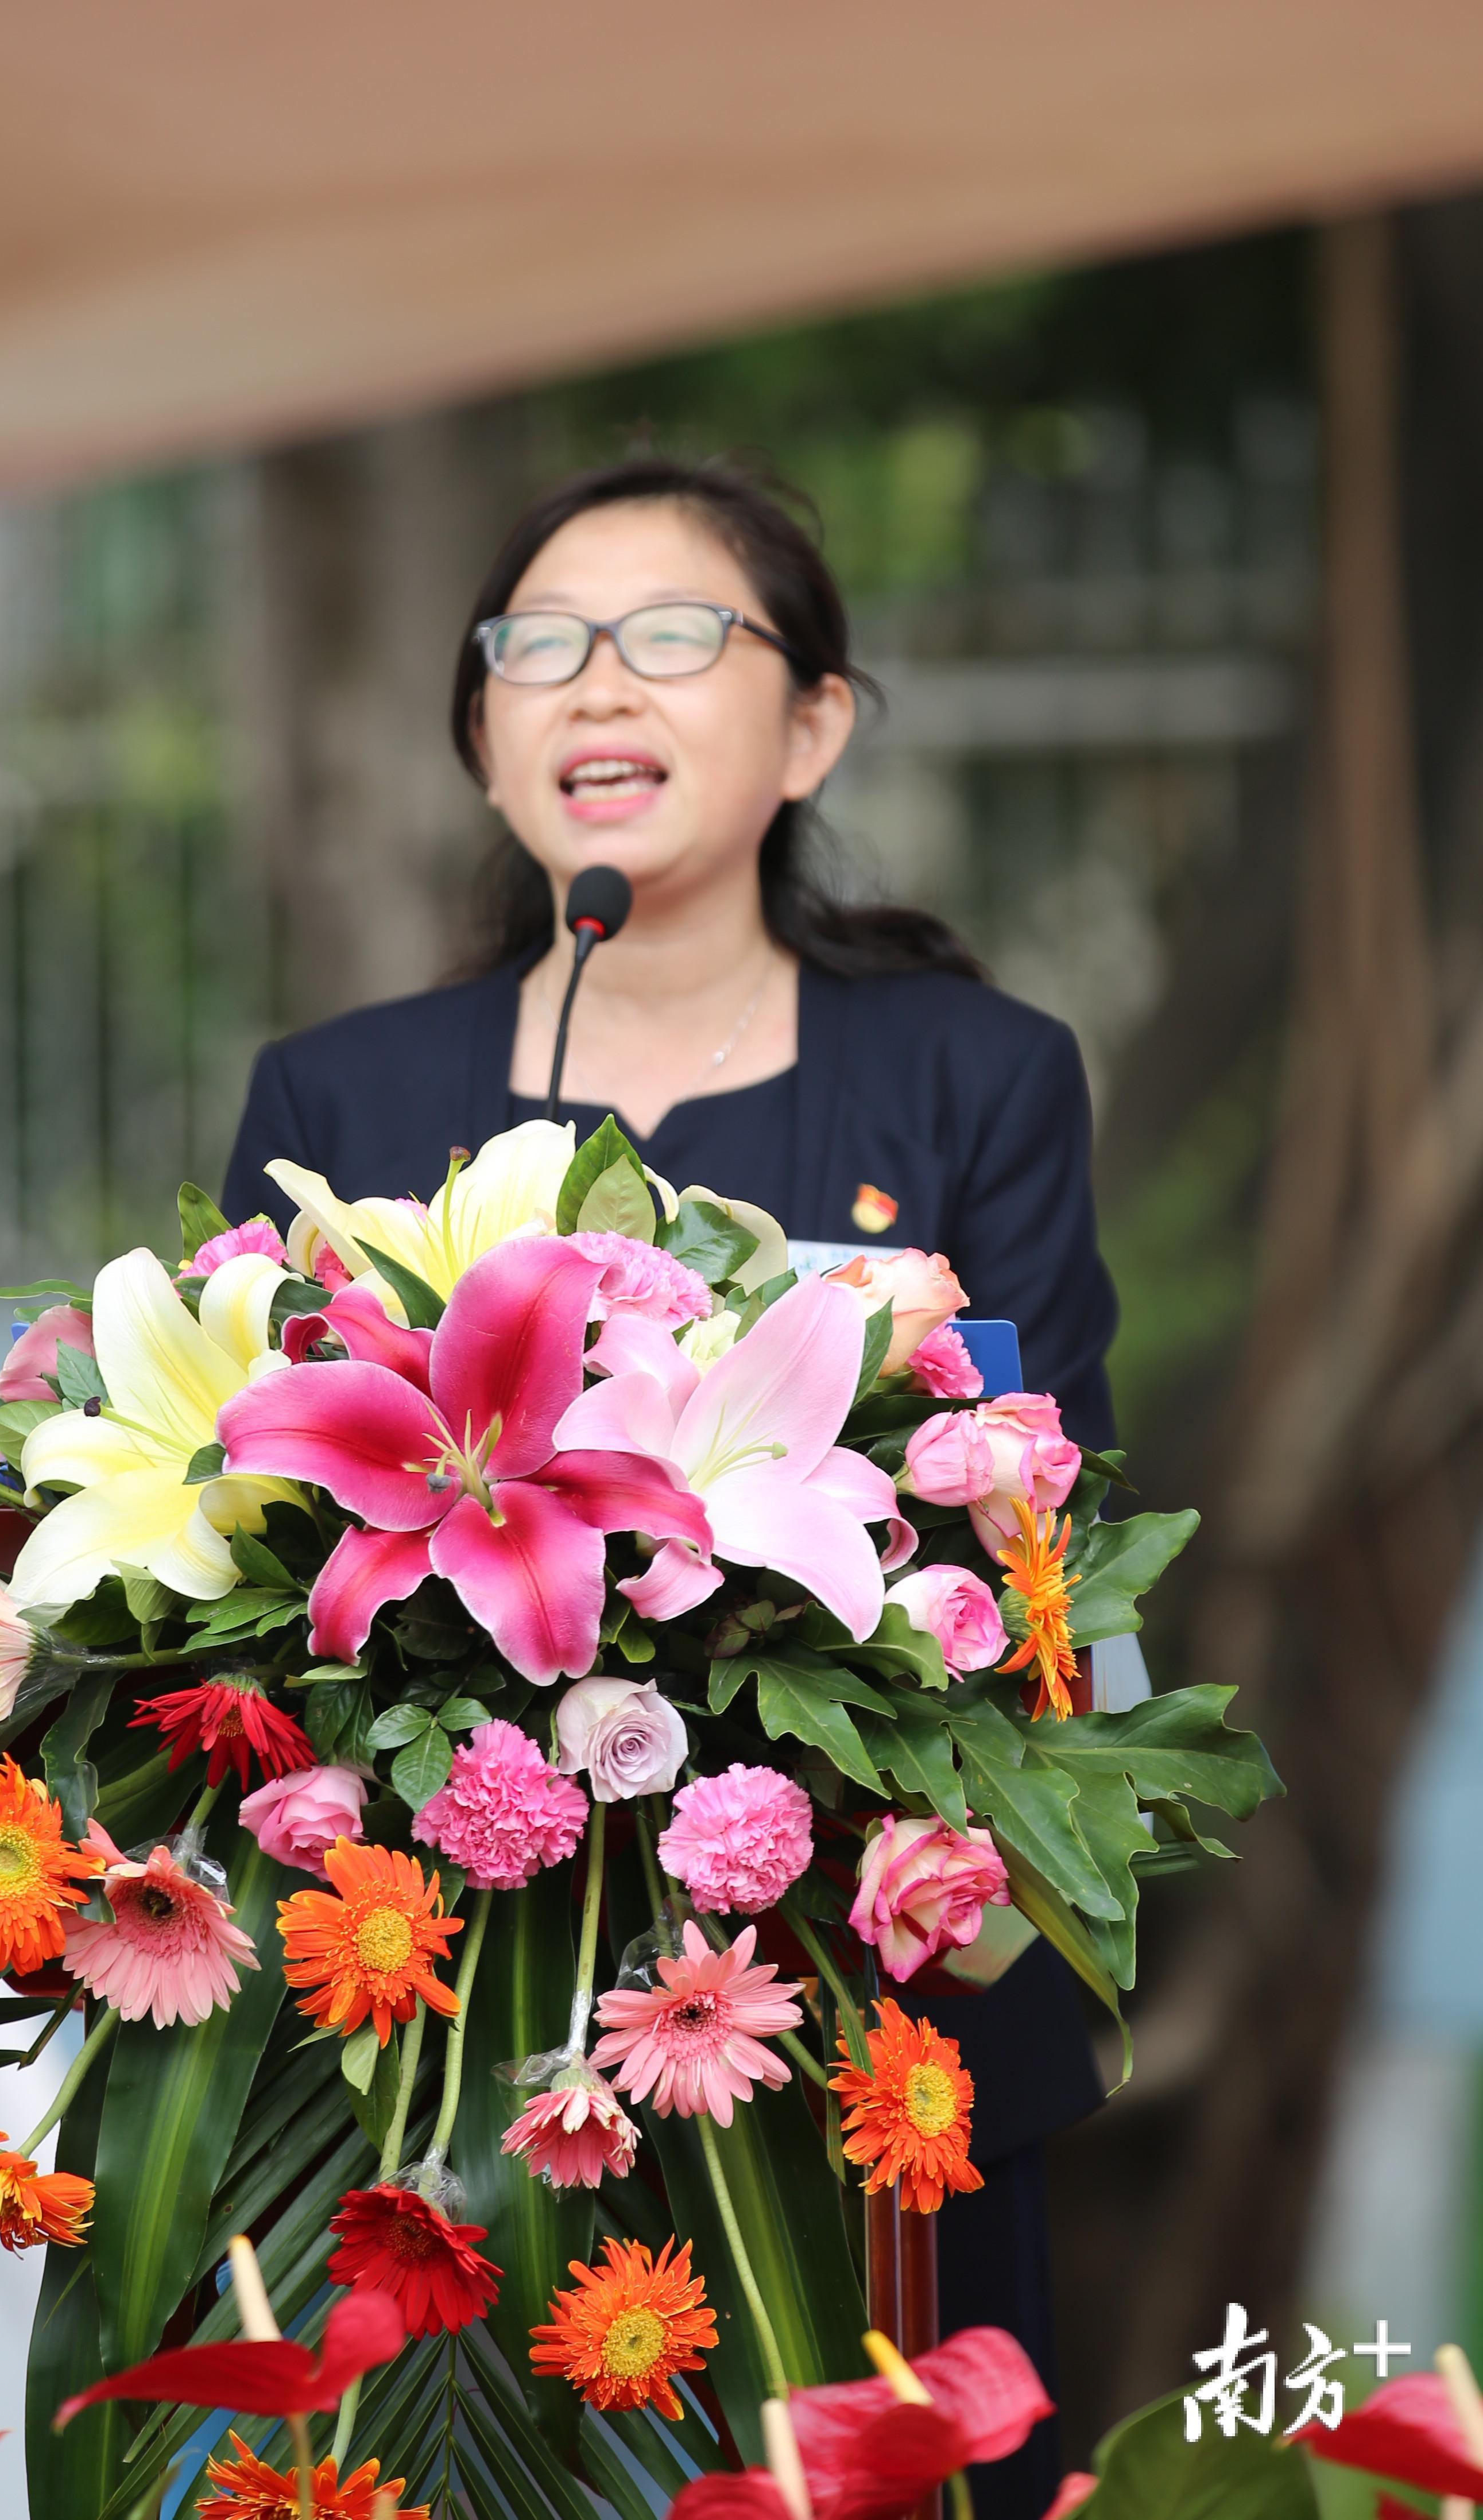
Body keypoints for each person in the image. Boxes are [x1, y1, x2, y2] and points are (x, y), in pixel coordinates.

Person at [223, 459, 1116, 2515]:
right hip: (438, 2050)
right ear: (482, 737)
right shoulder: (344, 1101)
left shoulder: (973, 1078)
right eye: (535, 648)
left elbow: (1029, 1500)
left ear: (813, 723)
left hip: (862, 2032)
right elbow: (265, 1530)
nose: (590, 685)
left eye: (673, 636)